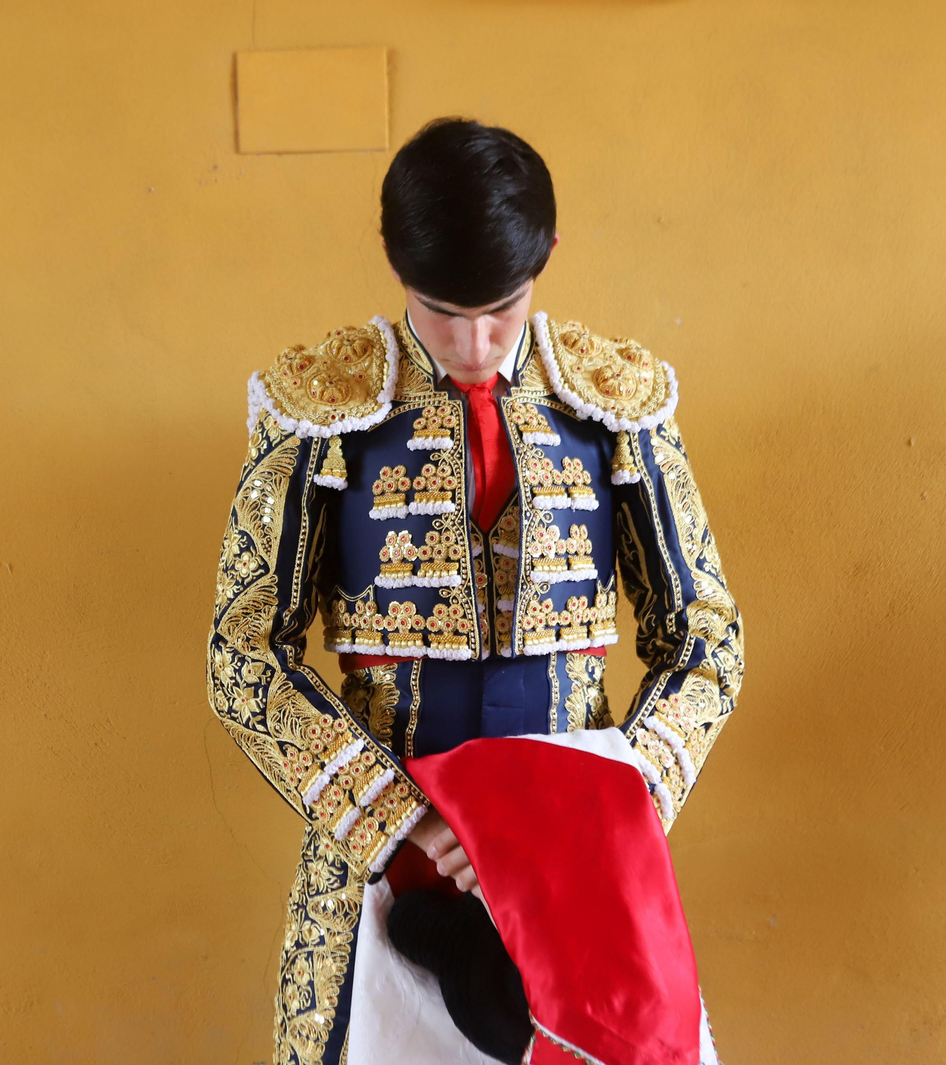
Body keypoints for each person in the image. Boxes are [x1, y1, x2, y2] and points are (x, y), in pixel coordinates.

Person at [207, 117, 744, 1065]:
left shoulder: (615, 399)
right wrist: (399, 817)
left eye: (501, 307)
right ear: (390, 260)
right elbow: (244, 654)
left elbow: (703, 638)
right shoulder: (318, 404)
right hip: (386, 858)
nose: (473, 339)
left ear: (548, 257)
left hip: (579, 855)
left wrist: (596, 810)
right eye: (439, 308)